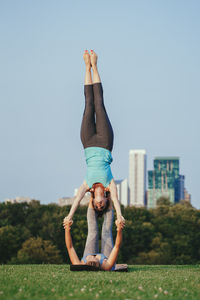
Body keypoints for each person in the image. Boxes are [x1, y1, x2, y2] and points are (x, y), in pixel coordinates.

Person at [64, 50, 125, 226]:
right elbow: (116, 200)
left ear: (93, 201)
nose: (99, 206)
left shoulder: (87, 184)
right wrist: (119, 216)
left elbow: (75, 201)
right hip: (105, 143)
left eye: (96, 207)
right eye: (102, 207)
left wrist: (70, 216)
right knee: (99, 103)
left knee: (88, 104)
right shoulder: (109, 184)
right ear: (105, 202)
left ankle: (86, 67)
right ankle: (95, 66)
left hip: (88, 142)